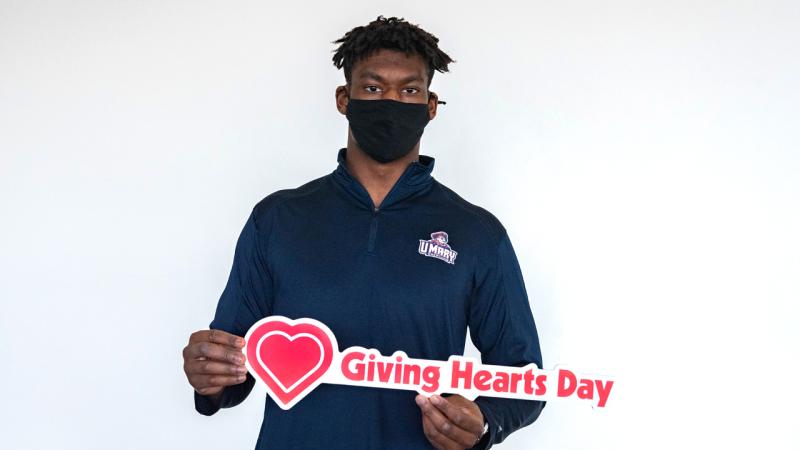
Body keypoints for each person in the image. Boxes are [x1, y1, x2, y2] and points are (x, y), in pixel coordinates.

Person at [182, 15, 546, 450]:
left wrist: (485, 421)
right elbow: (234, 358)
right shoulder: (278, 219)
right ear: (344, 98)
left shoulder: (476, 233)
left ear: (431, 106)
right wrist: (210, 375)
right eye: (373, 88)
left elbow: (524, 378)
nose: (391, 101)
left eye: (409, 90)